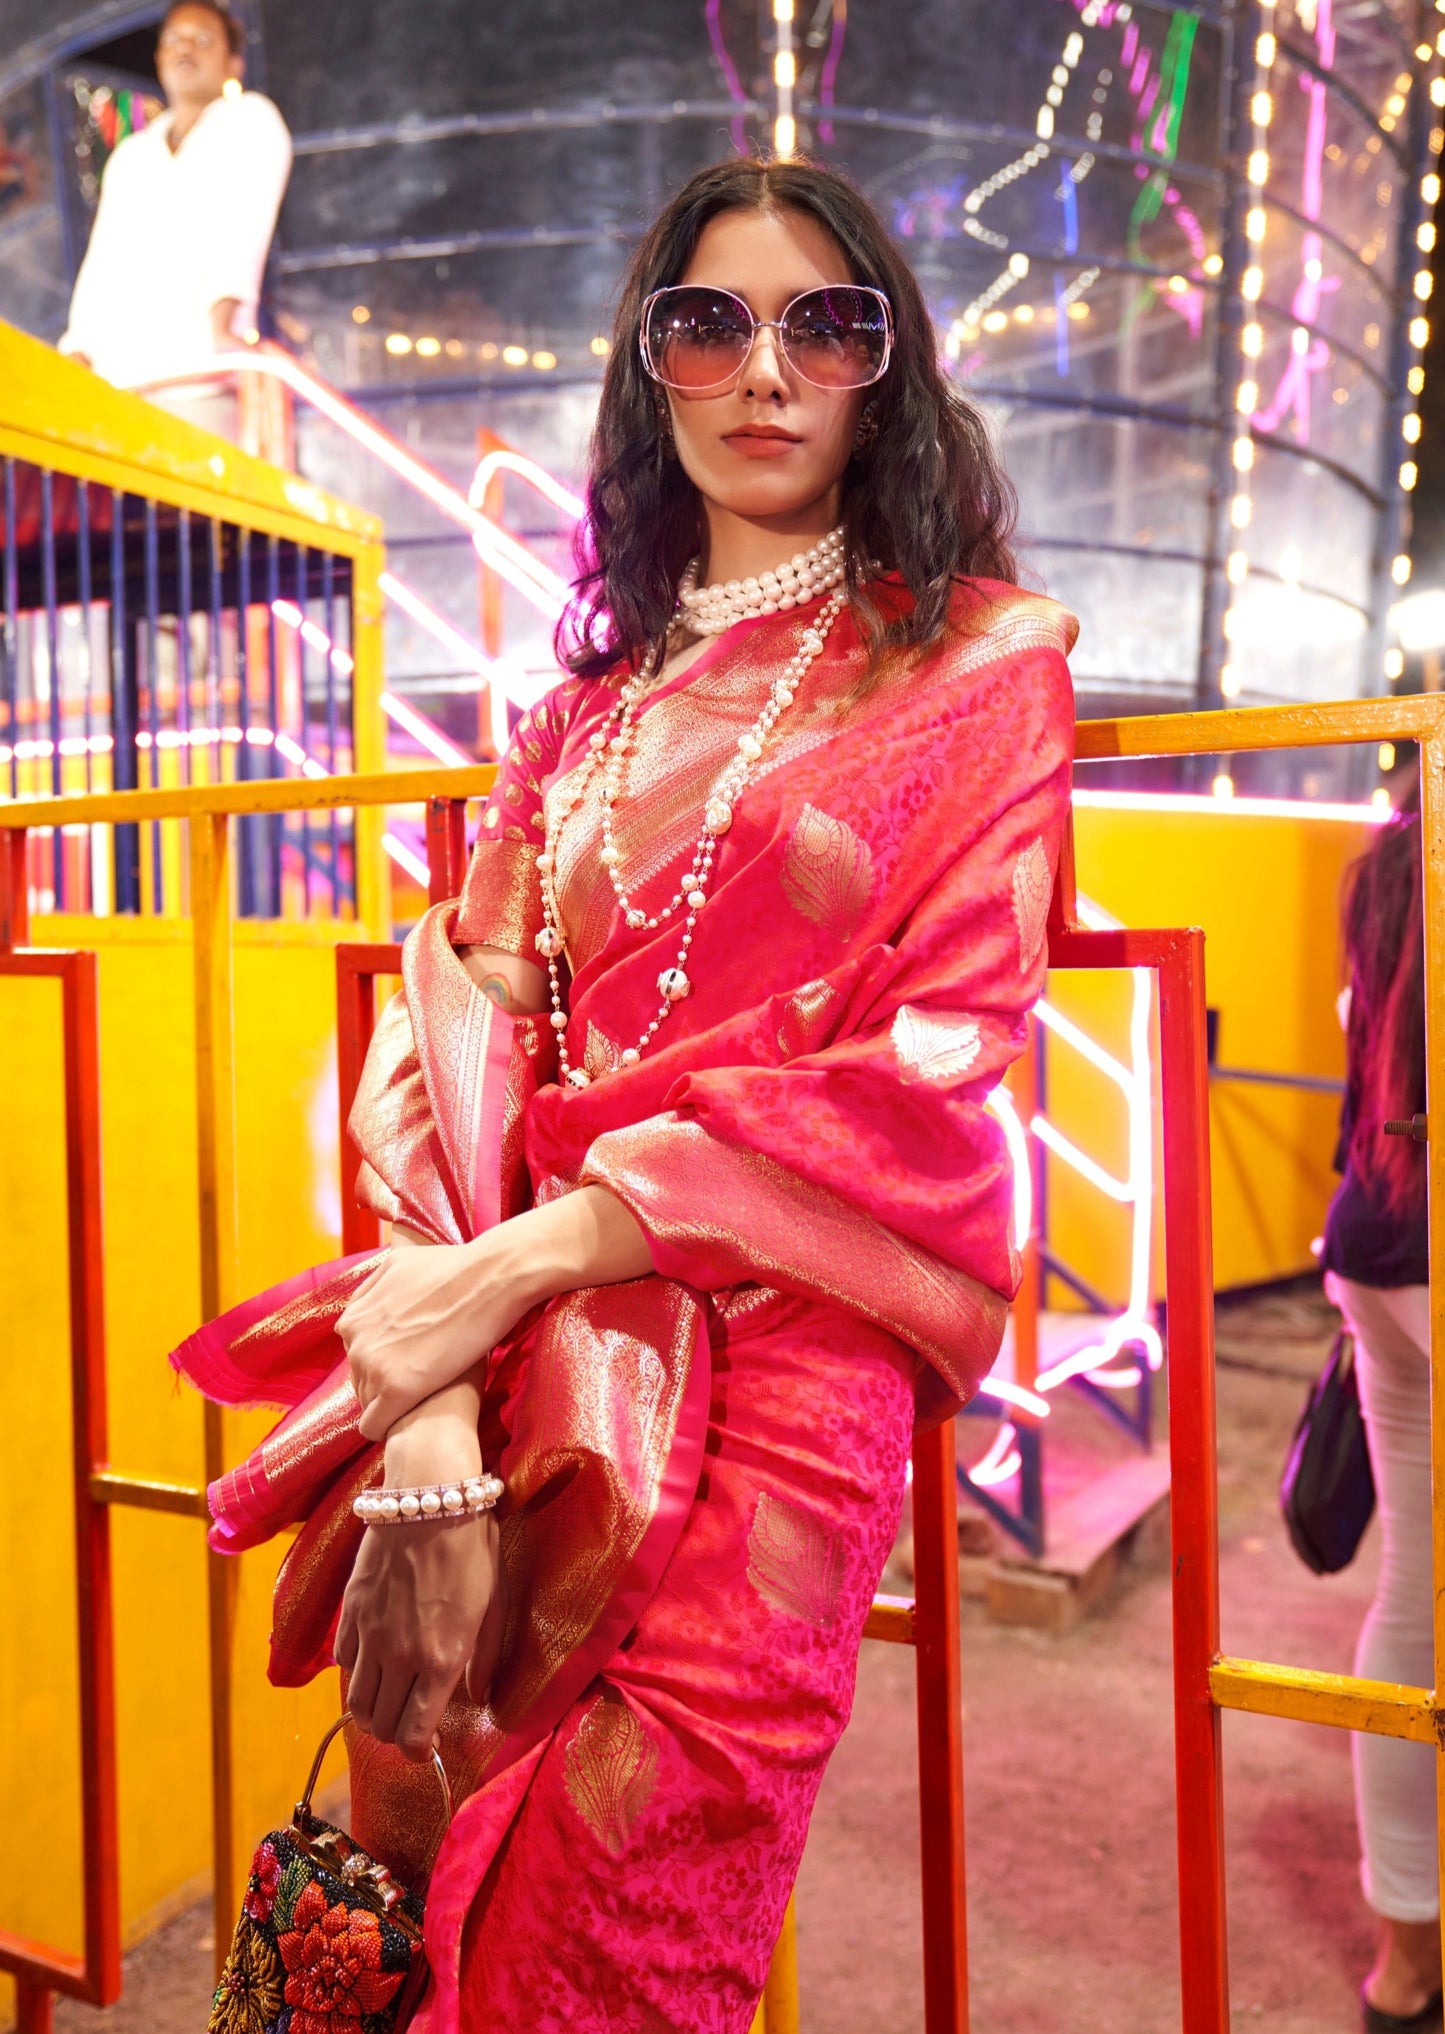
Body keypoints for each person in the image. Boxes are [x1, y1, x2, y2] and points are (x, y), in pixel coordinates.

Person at [178, 156, 1076, 2033]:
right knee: (410, 1845)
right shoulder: (576, 722)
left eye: (824, 322)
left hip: (784, 1371)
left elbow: (934, 1070)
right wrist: (422, 1380)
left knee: (613, 1935)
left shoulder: (978, 668)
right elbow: (451, 1031)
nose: (765, 368)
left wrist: (515, 1268)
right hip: (507, 1349)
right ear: (650, 370)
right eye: (708, 321)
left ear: (883, 369)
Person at [1321, 769, 1438, 2034]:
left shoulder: (1386, 861)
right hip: (1428, 1248)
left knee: (1414, 1596)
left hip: (1372, 1237)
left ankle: (1404, 1965)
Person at [59, 0, 291, 430]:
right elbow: (103, 261)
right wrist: (78, 347)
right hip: (118, 386)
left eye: (202, 40)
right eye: (173, 40)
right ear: (159, 58)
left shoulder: (249, 122)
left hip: (199, 382)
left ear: (233, 63)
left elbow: (243, 231)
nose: (185, 49)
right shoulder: (132, 155)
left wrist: (222, 327)